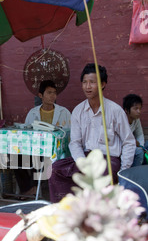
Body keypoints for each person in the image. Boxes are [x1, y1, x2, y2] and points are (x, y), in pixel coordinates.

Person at [48, 63, 136, 203]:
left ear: (102, 84)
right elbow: (75, 142)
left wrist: (123, 171)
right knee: (56, 169)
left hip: (108, 160)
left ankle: (98, 214)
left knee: (102, 174)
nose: (87, 86)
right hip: (86, 158)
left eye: (92, 82)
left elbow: (128, 142)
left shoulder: (115, 110)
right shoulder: (78, 111)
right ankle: (67, 210)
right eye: (84, 82)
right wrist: (82, 163)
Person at [14, 80, 71, 195]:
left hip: (56, 153)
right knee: (15, 158)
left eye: (54, 93)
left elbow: (71, 133)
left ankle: (32, 189)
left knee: (39, 159)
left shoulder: (64, 112)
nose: (53, 96)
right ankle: (27, 189)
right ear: (41, 95)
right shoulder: (33, 113)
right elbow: (26, 133)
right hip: (34, 151)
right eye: (49, 93)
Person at [123, 93, 148, 166]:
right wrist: (134, 143)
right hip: (124, 148)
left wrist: (142, 146)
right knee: (139, 152)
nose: (139, 111)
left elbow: (139, 134)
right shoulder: (121, 120)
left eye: (140, 108)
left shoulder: (136, 119)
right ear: (126, 110)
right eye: (136, 108)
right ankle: (135, 172)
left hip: (134, 145)